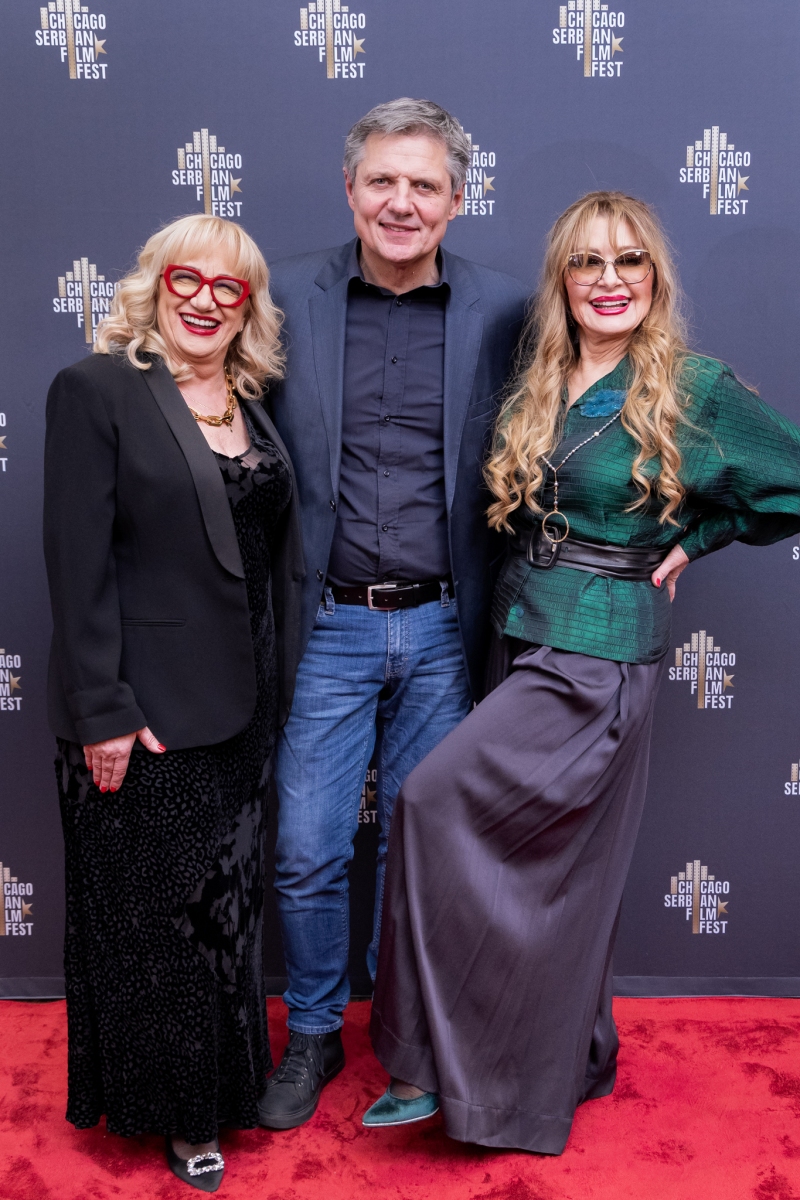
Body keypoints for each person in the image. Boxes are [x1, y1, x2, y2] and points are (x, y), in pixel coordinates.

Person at [366, 190, 800, 1151]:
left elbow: (792, 482)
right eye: (588, 262)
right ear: (561, 279)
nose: (610, 280)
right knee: (561, 873)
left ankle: (435, 1066)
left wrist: (701, 535)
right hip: (521, 629)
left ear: (656, 276)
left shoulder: (692, 385)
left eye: (629, 260)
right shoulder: (542, 374)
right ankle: (566, 1060)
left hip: (598, 651)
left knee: (431, 802)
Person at [257, 98, 530, 1131]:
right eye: (382, 181)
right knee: (307, 848)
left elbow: (576, 423)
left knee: (425, 856)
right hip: (324, 622)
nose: (401, 202)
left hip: (444, 630)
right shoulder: (284, 295)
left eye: (424, 184)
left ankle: (408, 1041)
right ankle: (315, 1032)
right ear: (350, 189)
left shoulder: (506, 310)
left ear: (457, 200)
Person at [44, 214, 304, 1191]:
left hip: (245, 704)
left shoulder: (250, 400)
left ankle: (227, 1087)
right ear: (154, 285)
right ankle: (182, 1116)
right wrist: (102, 709)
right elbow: (77, 565)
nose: (203, 300)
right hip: (146, 711)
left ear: (247, 307)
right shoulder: (97, 390)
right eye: (184, 280)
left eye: (227, 287)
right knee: (160, 922)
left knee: (226, 913)